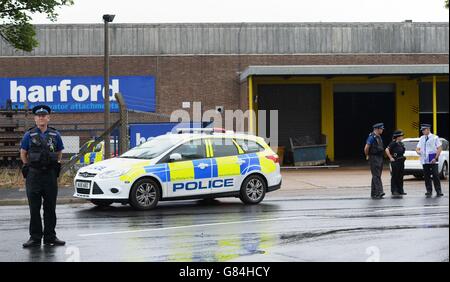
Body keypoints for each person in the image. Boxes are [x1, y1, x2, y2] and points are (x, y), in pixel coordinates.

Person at [20, 105, 66, 248]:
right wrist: (27, 165)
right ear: (35, 119)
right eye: (38, 116)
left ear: (48, 118)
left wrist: (56, 162)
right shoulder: (29, 135)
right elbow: (23, 152)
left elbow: (59, 152)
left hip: (50, 176)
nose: (41, 118)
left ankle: (50, 237)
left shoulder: (55, 135)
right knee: (34, 208)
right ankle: (34, 238)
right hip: (34, 175)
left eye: (44, 115)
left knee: (50, 208)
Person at [416, 124, 444, 198]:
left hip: (433, 160)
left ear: (428, 129)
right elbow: (417, 148)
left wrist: (435, 158)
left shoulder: (435, 137)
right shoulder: (422, 138)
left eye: (423, 130)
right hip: (424, 160)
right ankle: (429, 191)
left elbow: (439, 148)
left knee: (435, 175)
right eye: (422, 130)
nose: (422, 131)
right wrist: (418, 151)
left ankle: (438, 191)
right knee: (426, 176)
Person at [364, 123, 386, 199]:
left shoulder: (379, 137)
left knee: (376, 175)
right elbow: (366, 147)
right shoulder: (372, 137)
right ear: (377, 129)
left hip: (379, 157)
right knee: (376, 175)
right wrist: (367, 155)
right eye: (381, 129)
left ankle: (373, 193)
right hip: (374, 157)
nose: (382, 130)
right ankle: (379, 191)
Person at [385, 130, 406, 197]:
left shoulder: (401, 143)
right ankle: (394, 190)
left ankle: (400, 190)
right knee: (395, 176)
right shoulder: (393, 143)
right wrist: (390, 157)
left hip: (401, 161)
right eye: (401, 136)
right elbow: (386, 150)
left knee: (400, 176)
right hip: (395, 161)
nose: (402, 137)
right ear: (397, 137)